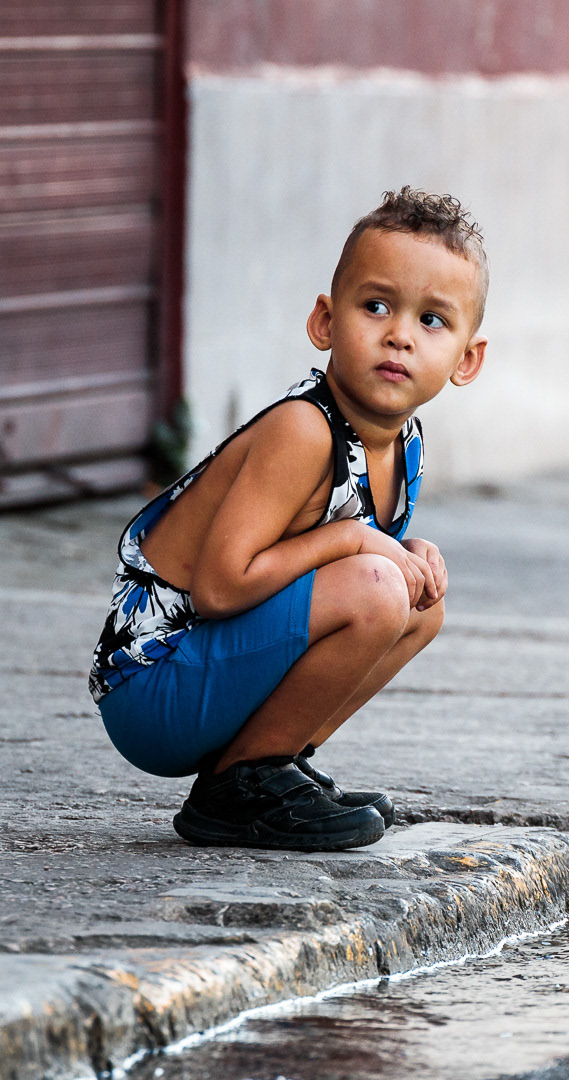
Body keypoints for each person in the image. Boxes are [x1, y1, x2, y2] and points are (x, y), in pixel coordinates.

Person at [88, 187, 488, 851]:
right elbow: (219, 589)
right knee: (378, 589)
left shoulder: (404, 442)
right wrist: (357, 540)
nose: (399, 334)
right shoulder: (303, 430)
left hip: (212, 674)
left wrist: (407, 549)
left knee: (420, 603)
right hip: (153, 688)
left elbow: (337, 563)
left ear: (467, 359)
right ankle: (242, 783)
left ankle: (269, 765)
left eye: (432, 320)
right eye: (376, 306)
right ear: (325, 321)